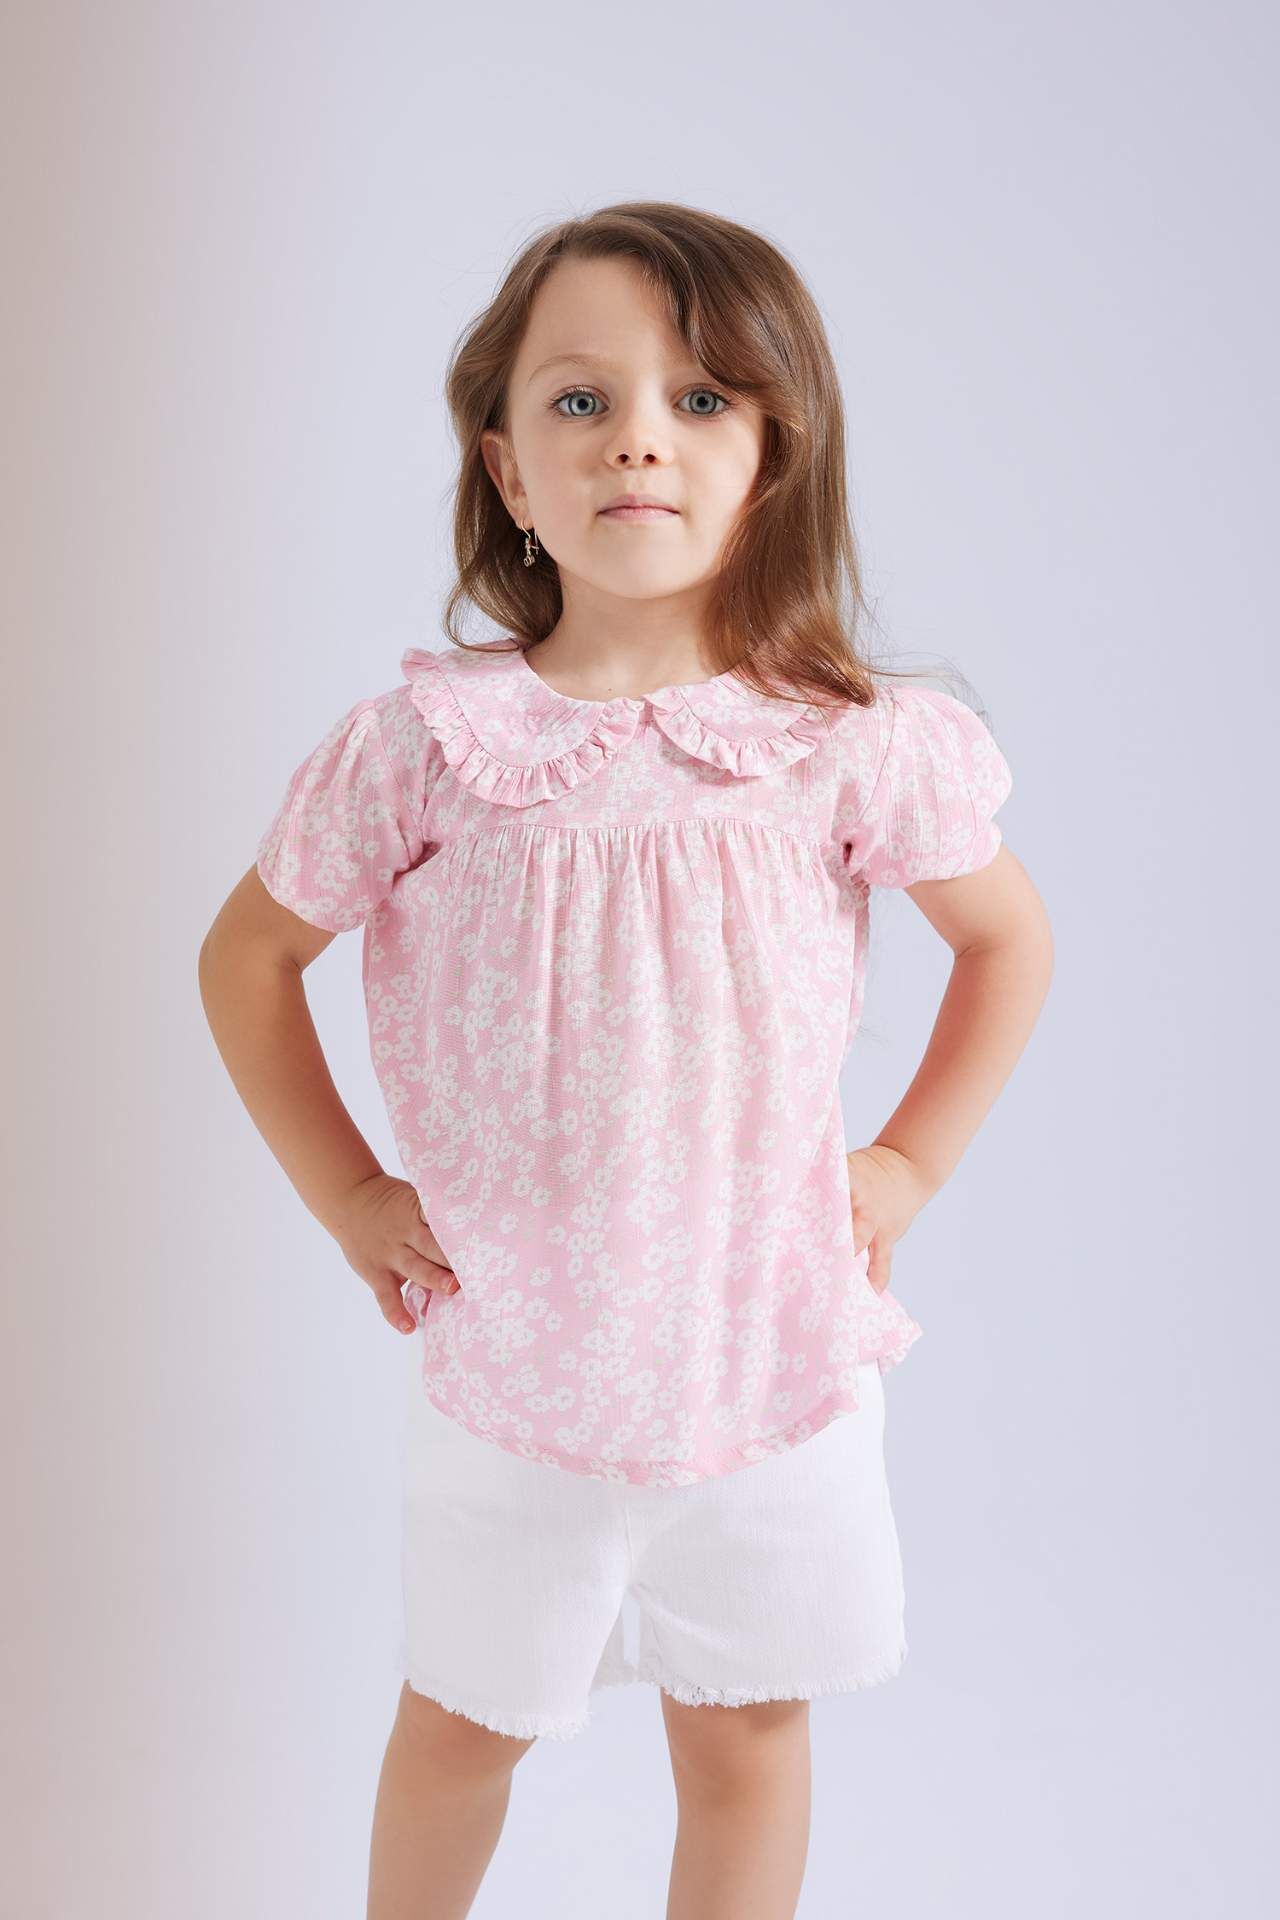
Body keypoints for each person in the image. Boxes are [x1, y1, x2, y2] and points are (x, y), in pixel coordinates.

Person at [199, 200, 1053, 1920]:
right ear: (508, 469)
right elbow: (250, 958)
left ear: (771, 459)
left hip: (770, 1351)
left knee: (747, 1733)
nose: (638, 439)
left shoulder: (842, 746)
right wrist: (351, 1195)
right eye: (580, 400)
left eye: (702, 398)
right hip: (519, 1359)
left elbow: (1007, 941)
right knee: (463, 1727)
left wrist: (906, 1163)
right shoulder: (427, 746)